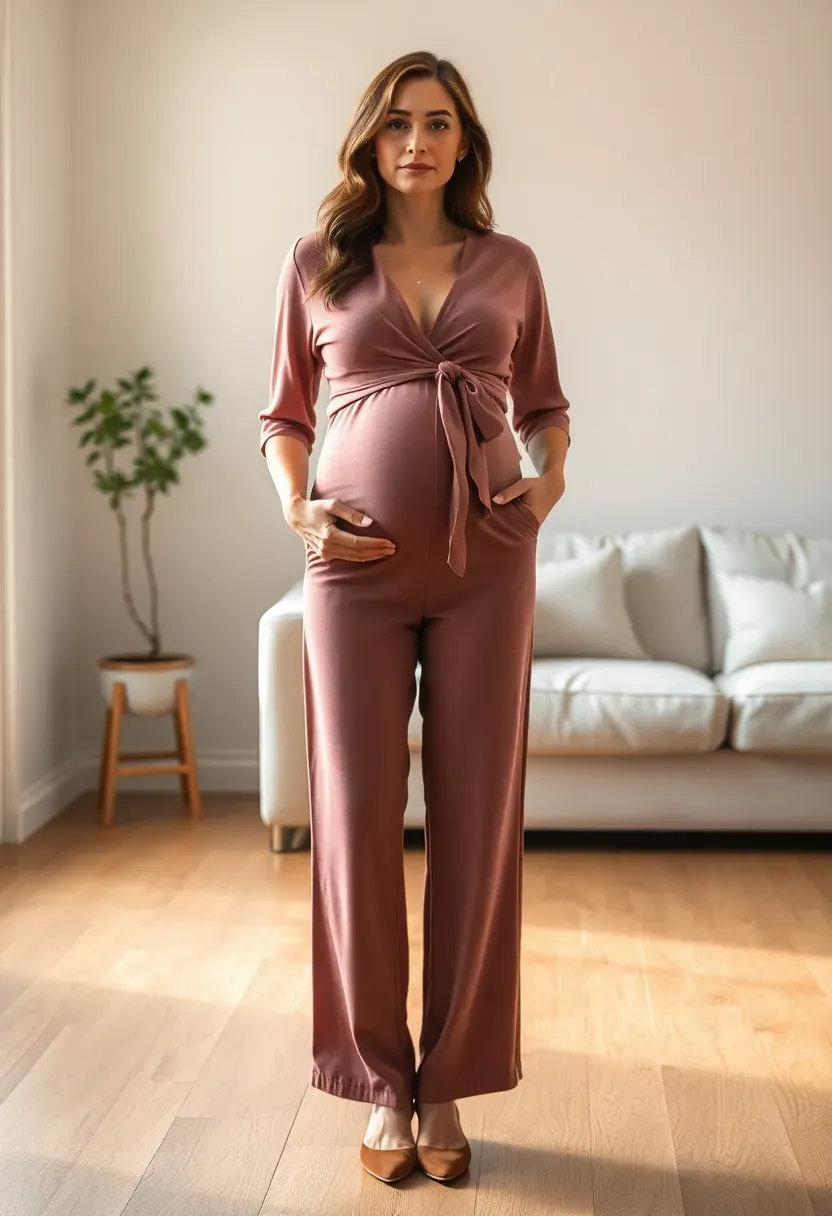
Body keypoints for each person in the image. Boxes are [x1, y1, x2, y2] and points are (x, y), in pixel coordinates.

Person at [259, 50, 571, 1185]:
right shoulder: (317, 262)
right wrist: (299, 510)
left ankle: (447, 1081)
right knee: (352, 817)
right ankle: (379, 1082)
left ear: (464, 141)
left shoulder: (511, 263)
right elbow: (283, 415)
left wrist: (546, 486)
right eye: (397, 123)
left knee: (478, 820)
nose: (417, 142)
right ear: (370, 140)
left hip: (489, 563)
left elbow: (545, 405)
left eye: (438, 123)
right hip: (352, 570)